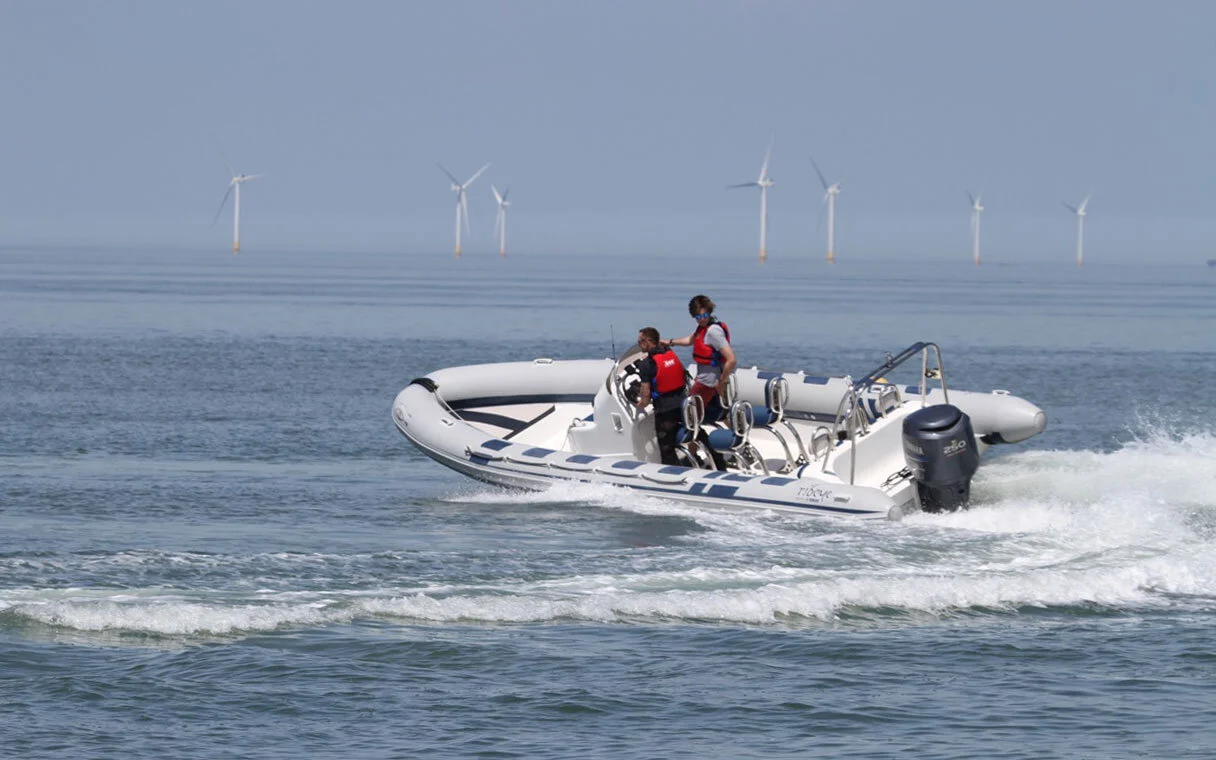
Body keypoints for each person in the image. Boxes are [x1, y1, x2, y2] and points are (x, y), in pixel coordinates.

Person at [665, 294, 736, 425]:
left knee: (689, 414)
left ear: (710, 312)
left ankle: (694, 444)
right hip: (708, 379)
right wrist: (668, 342)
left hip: (708, 382)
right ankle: (739, 437)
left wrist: (721, 382)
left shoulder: (713, 332)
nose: (702, 319)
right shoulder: (703, 328)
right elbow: (690, 340)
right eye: (698, 317)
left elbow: (731, 360)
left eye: (704, 316)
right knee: (721, 414)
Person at [634, 327, 687, 466]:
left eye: (640, 341)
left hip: (665, 411)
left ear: (647, 342)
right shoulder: (669, 352)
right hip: (682, 405)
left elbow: (646, 395)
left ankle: (672, 474)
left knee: (666, 447)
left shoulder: (646, 364)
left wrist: (640, 404)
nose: (638, 344)